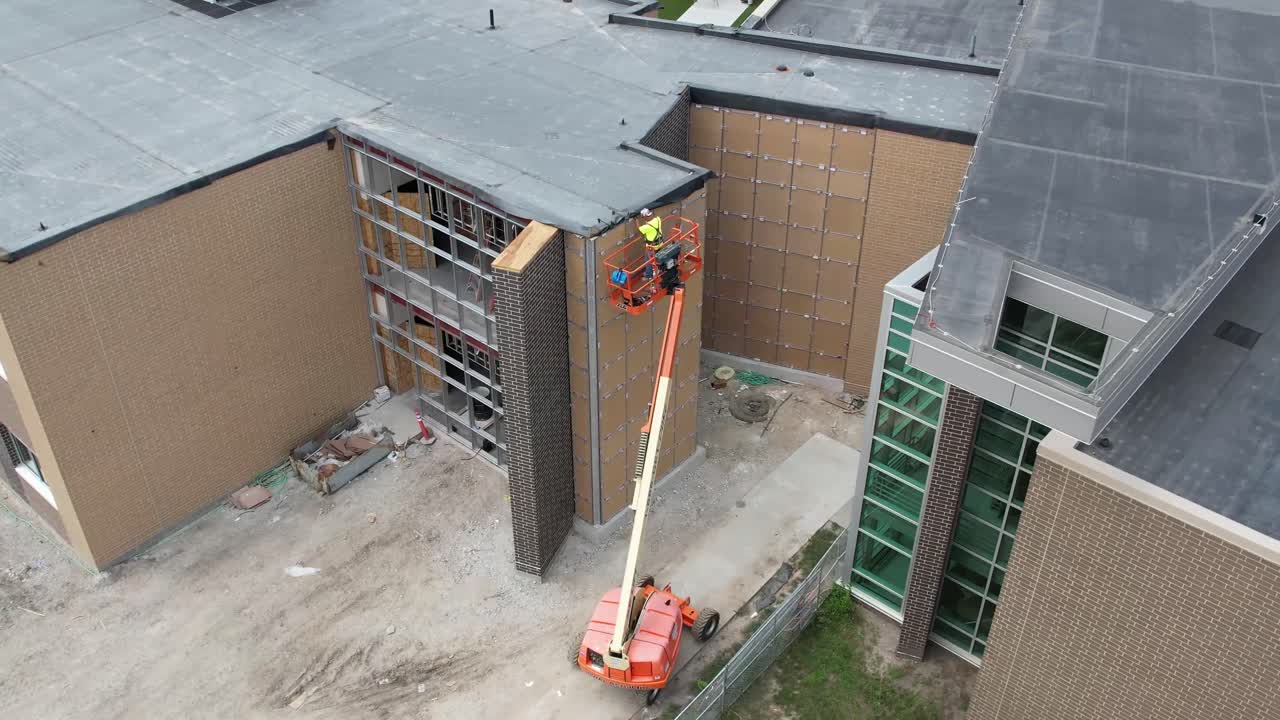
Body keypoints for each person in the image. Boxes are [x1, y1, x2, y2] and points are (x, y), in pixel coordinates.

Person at [637, 208, 663, 278]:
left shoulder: (647, 227)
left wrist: (636, 221)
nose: (643, 219)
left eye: (643, 217)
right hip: (659, 244)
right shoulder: (658, 219)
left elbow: (639, 230)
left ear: (645, 216)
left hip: (652, 247)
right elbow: (654, 217)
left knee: (648, 260)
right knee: (658, 257)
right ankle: (660, 269)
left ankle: (648, 274)